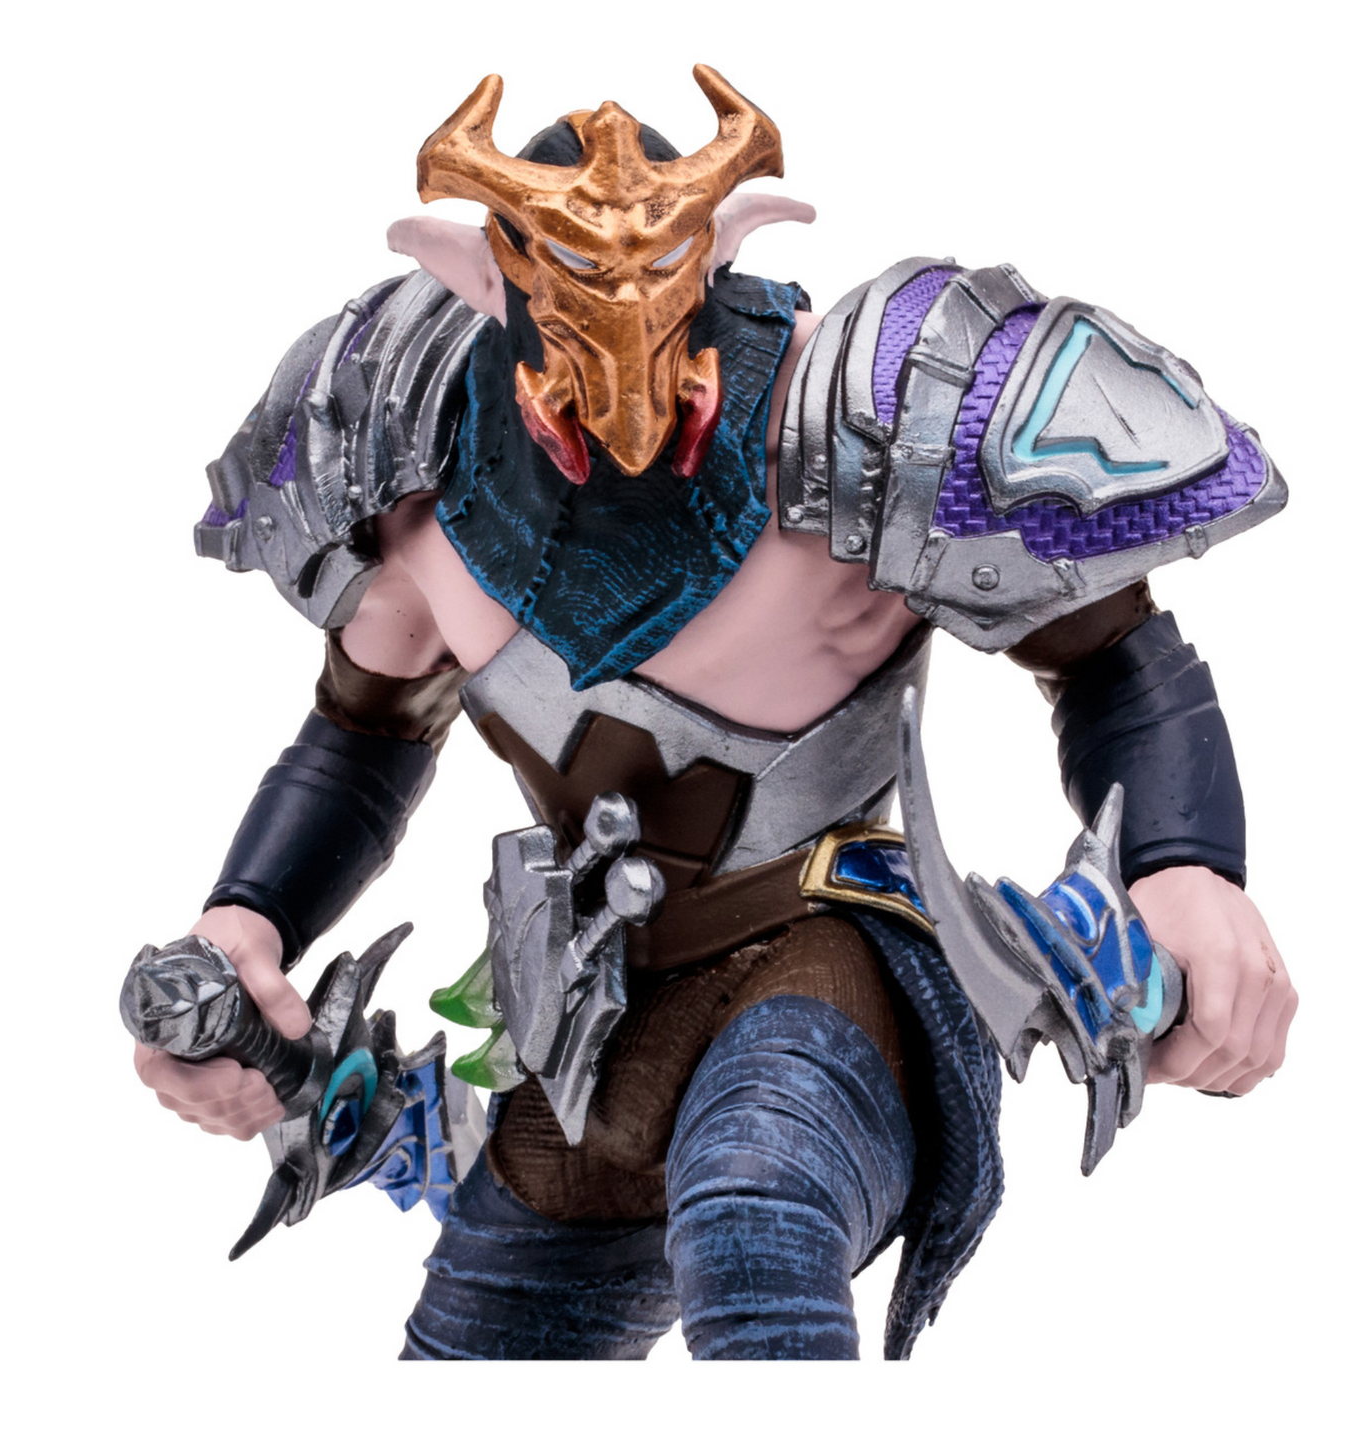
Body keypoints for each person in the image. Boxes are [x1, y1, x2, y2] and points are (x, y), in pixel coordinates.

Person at [133, 66, 1296, 1359]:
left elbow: (1112, 655)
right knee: (471, 1349)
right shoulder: (408, 467)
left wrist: (1188, 869)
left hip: (825, 957)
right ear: (475, 279)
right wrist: (245, 926)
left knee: (757, 1215)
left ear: (726, 251)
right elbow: (362, 740)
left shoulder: (868, 422)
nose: (623, 372)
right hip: (588, 1014)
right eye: (570, 300)